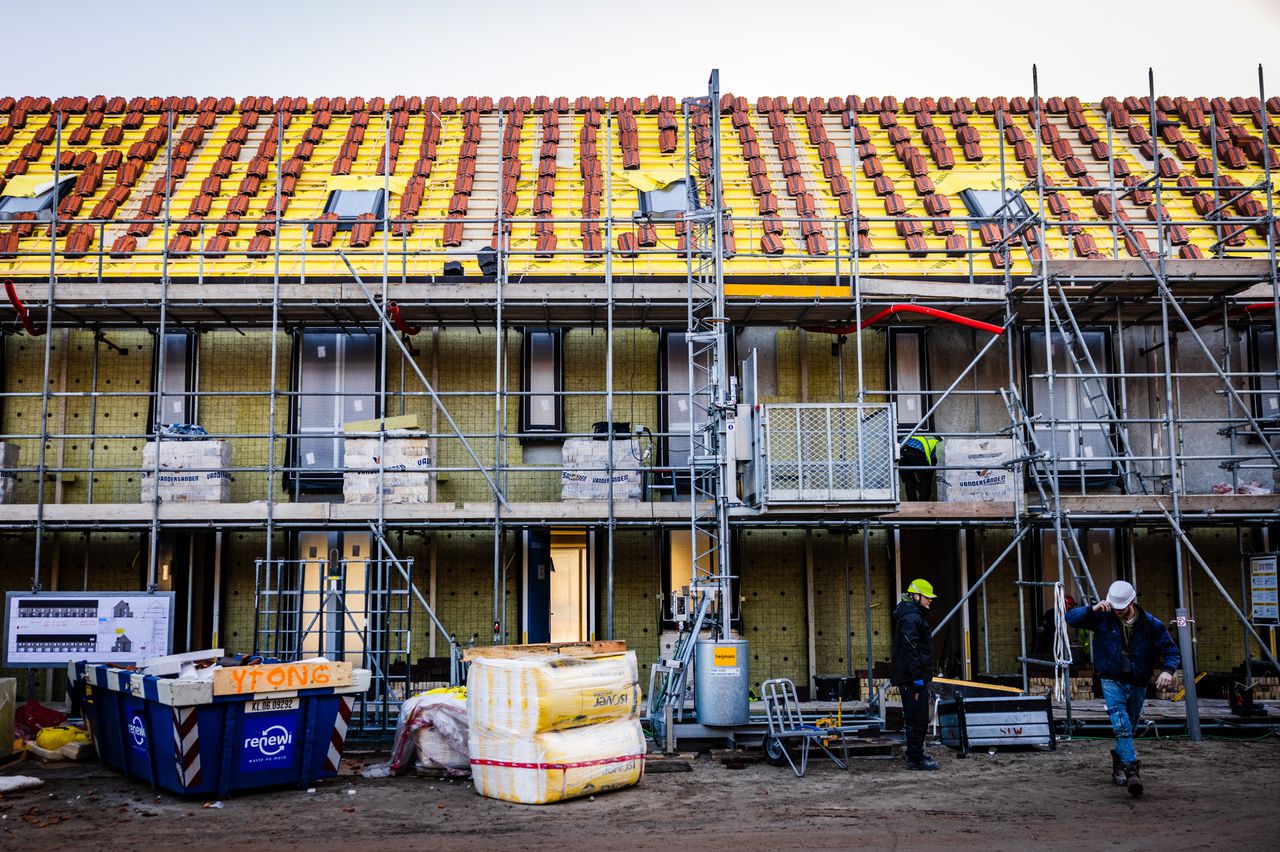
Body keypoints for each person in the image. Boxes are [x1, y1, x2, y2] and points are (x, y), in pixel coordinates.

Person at [1065, 580, 1180, 798]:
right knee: (1121, 724)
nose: (1116, 612)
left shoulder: (1151, 624)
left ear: (1131, 603)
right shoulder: (1102, 618)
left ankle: (1119, 761)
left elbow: (1171, 651)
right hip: (1110, 678)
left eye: (1120, 608)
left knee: (1131, 725)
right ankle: (1131, 770)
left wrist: (1168, 670)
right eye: (1114, 608)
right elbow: (1070, 619)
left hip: (1137, 681)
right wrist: (1093, 608)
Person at [891, 578, 939, 770]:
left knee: (918, 716)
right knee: (916, 717)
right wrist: (917, 677)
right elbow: (911, 649)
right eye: (927, 597)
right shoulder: (911, 618)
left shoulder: (912, 616)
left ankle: (916, 755)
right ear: (916, 596)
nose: (930, 601)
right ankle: (915, 758)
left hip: (913, 677)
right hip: (912, 679)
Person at [900, 435, 942, 501]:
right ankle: (923, 503)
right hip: (916, 451)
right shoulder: (937, 442)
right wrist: (928, 475)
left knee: (909, 481)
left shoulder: (923, 436)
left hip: (901, 450)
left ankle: (912, 504)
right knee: (925, 480)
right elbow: (933, 460)